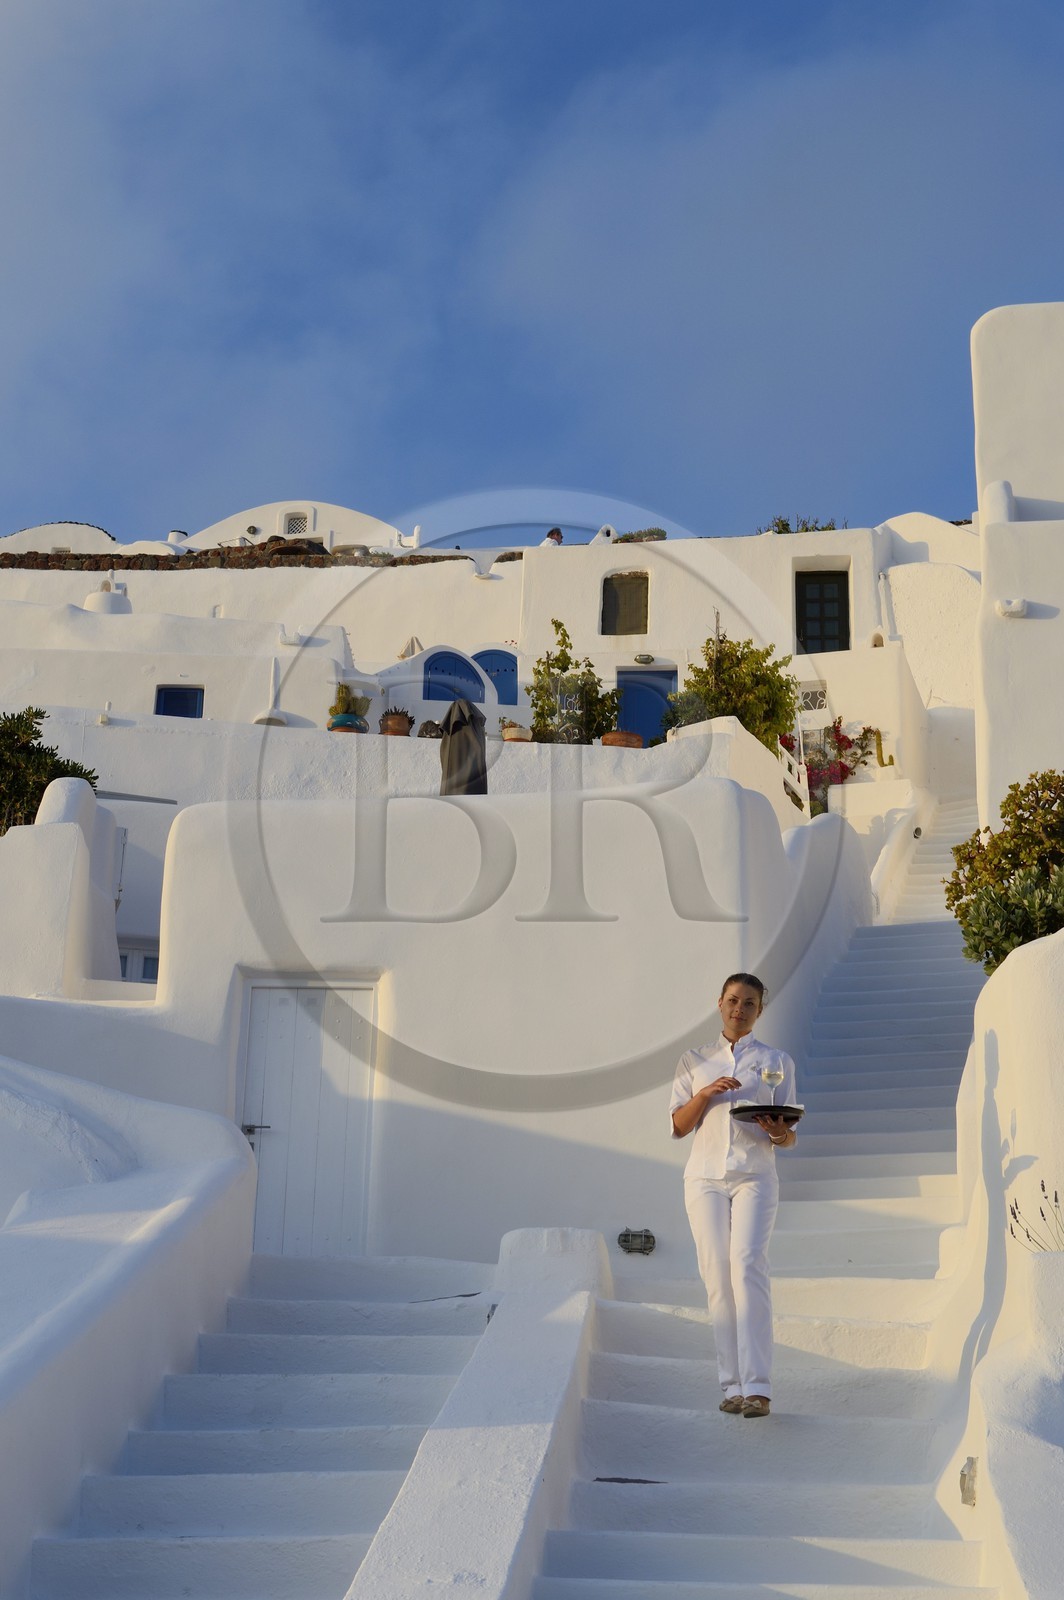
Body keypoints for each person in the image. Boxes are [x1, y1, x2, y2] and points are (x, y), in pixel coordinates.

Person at [670, 972, 797, 1419]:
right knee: (716, 1275)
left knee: (747, 1266)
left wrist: (780, 1133)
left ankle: (758, 1387)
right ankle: (732, 1386)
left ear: (759, 1010)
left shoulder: (776, 1060)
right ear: (719, 1002)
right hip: (703, 1178)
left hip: (755, 1176)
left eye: (749, 1003)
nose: (738, 1008)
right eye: (732, 1000)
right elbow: (679, 1126)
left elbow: (790, 1136)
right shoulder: (694, 1059)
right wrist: (705, 1092)